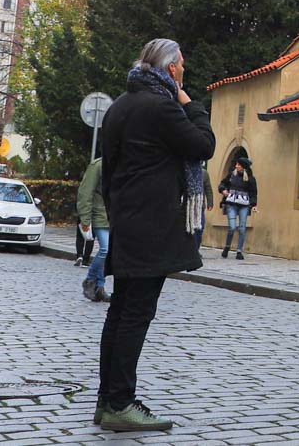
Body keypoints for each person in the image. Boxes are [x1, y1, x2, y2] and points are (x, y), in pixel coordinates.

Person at [95, 38, 216, 432]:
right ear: (171, 69)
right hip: (151, 223)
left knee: (120, 312)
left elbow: (108, 171)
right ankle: (120, 402)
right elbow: (203, 145)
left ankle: (108, 398)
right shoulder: (162, 105)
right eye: (181, 66)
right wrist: (189, 102)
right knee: (135, 314)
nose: (183, 71)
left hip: (128, 219)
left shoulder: (119, 106)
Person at [77, 152, 110, 303]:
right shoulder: (98, 165)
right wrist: (85, 219)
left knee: (109, 253)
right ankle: (90, 280)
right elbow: (85, 193)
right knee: (106, 249)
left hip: (116, 217)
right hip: (99, 215)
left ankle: (100, 288)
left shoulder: (122, 166)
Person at [217, 156, 256, 261]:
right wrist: (223, 190)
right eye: (236, 164)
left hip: (244, 205)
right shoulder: (231, 175)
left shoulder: (250, 178)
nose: (236, 166)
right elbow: (222, 183)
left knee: (242, 228)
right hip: (231, 203)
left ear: (243, 167)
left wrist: (253, 205)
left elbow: (253, 193)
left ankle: (239, 251)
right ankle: (227, 247)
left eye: (238, 164)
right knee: (232, 227)